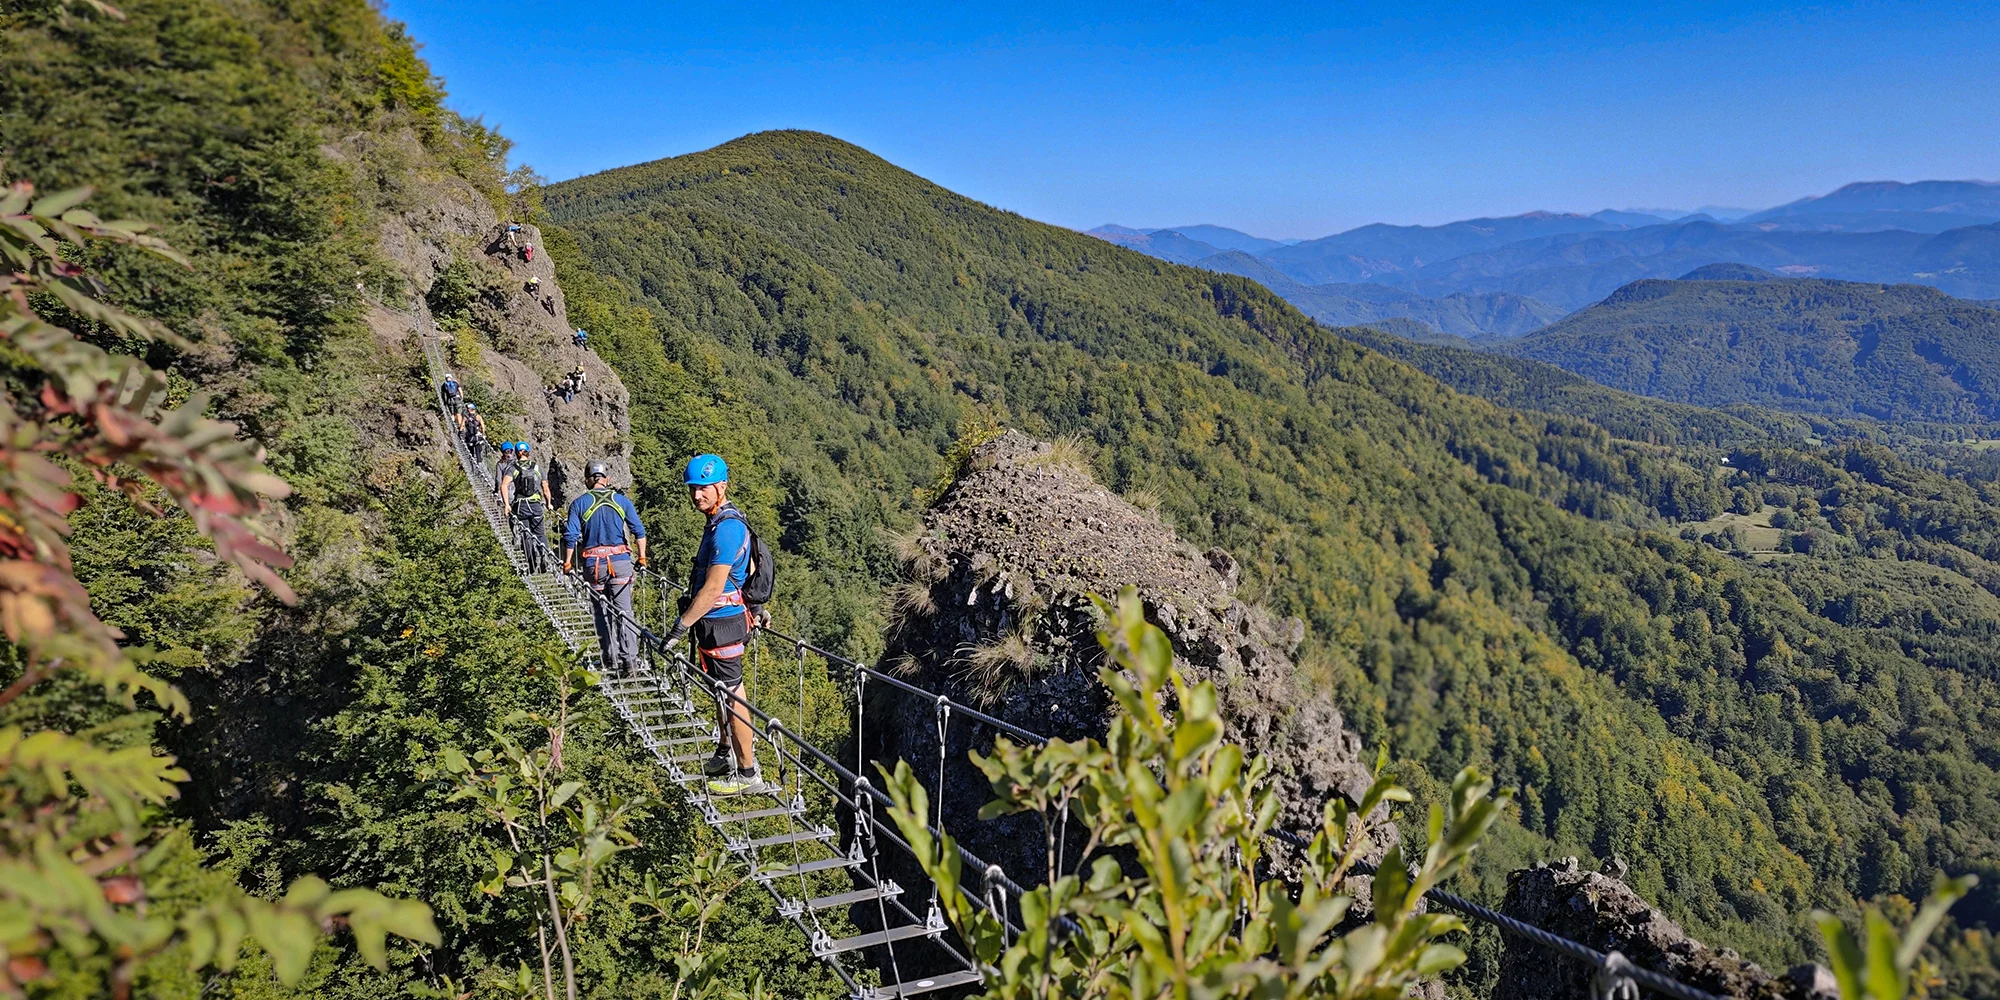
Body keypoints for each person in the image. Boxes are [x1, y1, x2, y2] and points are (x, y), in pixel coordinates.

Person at [663, 453, 768, 796]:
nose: (696, 496)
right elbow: (750, 567)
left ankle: (748, 772)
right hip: (720, 624)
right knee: (722, 693)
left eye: (703, 488)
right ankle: (725, 753)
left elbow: (711, 588)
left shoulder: (726, 528)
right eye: (693, 489)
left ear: (721, 486)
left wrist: (680, 627)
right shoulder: (724, 521)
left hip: (722, 624)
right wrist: (754, 606)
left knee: (733, 696)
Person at [563, 461, 647, 676]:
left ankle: (610, 659)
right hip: (620, 562)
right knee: (624, 612)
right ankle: (630, 662)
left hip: (594, 565)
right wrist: (643, 557)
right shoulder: (621, 501)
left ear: (587, 480)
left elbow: (571, 536)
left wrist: (568, 562)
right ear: (606, 479)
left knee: (601, 613)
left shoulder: (579, 503)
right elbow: (638, 530)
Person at [505, 442, 554, 573]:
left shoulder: (513, 468)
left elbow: (503, 486)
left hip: (521, 506)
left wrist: (507, 505)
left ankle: (531, 565)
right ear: (528, 452)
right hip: (536, 505)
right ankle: (546, 559)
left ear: (516, 453)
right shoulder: (537, 467)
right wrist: (549, 503)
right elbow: (545, 488)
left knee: (526, 535)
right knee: (540, 534)